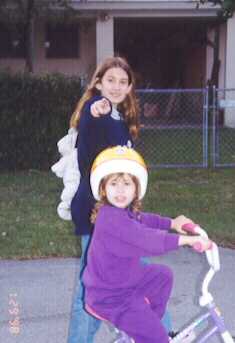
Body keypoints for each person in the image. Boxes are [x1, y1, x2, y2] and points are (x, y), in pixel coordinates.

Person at [83, 145, 212, 343]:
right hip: (111, 298)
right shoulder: (110, 219)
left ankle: (146, 329)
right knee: (157, 339)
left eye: (126, 184)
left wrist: (172, 223)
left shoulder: (123, 212)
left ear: (136, 189)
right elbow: (147, 239)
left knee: (162, 276)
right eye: (113, 184)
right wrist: (188, 240)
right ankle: (151, 335)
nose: (120, 190)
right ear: (103, 188)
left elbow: (143, 220)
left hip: (123, 282)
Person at [67, 56, 140, 343]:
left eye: (123, 81)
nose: (117, 86)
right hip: (95, 210)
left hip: (117, 213)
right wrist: (98, 107)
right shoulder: (97, 108)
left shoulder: (121, 119)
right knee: (92, 290)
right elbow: (92, 114)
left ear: (130, 86)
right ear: (98, 83)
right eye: (110, 80)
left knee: (127, 280)